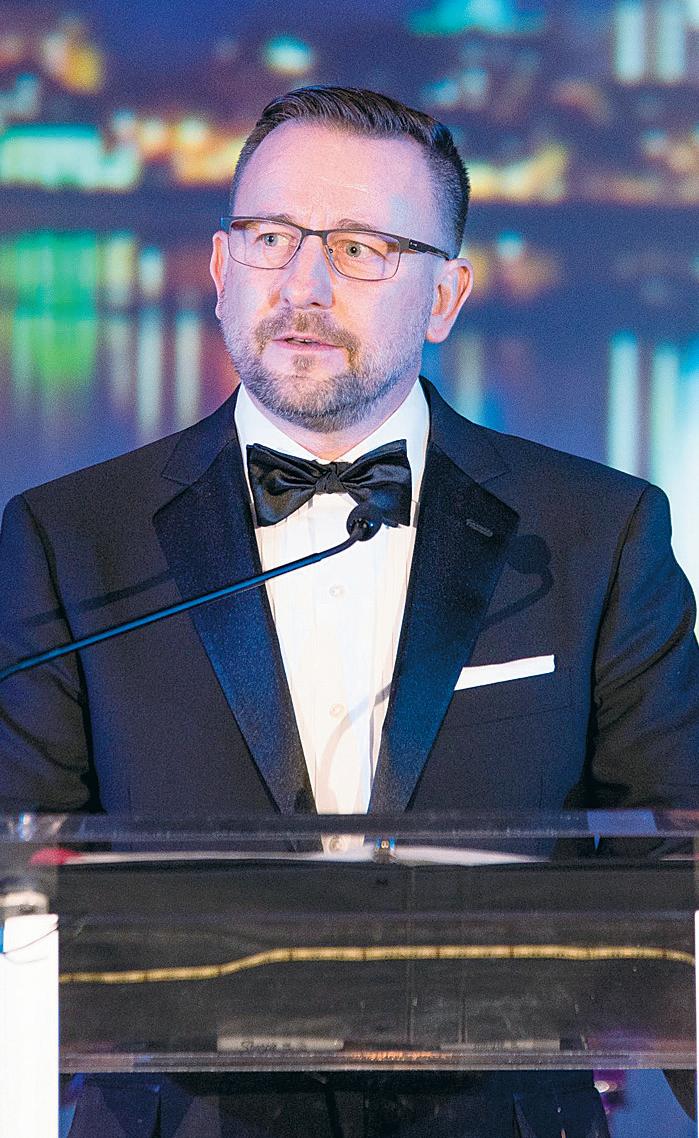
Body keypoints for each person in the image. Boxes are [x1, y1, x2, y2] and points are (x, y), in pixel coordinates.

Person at [1, 85, 698, 1137]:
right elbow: (20, 874)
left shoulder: (595, 531)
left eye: (361, 248)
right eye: (272, 238)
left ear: (445, 297)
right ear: (222, 269)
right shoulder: (71, 537)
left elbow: (676, 864)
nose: (304, 284)